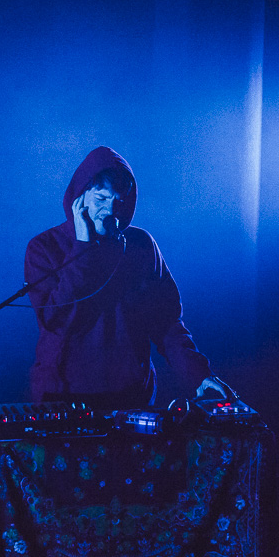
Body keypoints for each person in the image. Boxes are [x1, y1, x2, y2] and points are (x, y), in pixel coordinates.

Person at [24, 145, 234, 410]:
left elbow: (167, 323)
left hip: (131, 397)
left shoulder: (141, 246)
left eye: (119, 201)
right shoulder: (45, 248)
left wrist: (199, 375)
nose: (111, 210)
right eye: (101, 199)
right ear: (80, 197)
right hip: (63, 398)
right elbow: (58, 321)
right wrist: (83, 247)